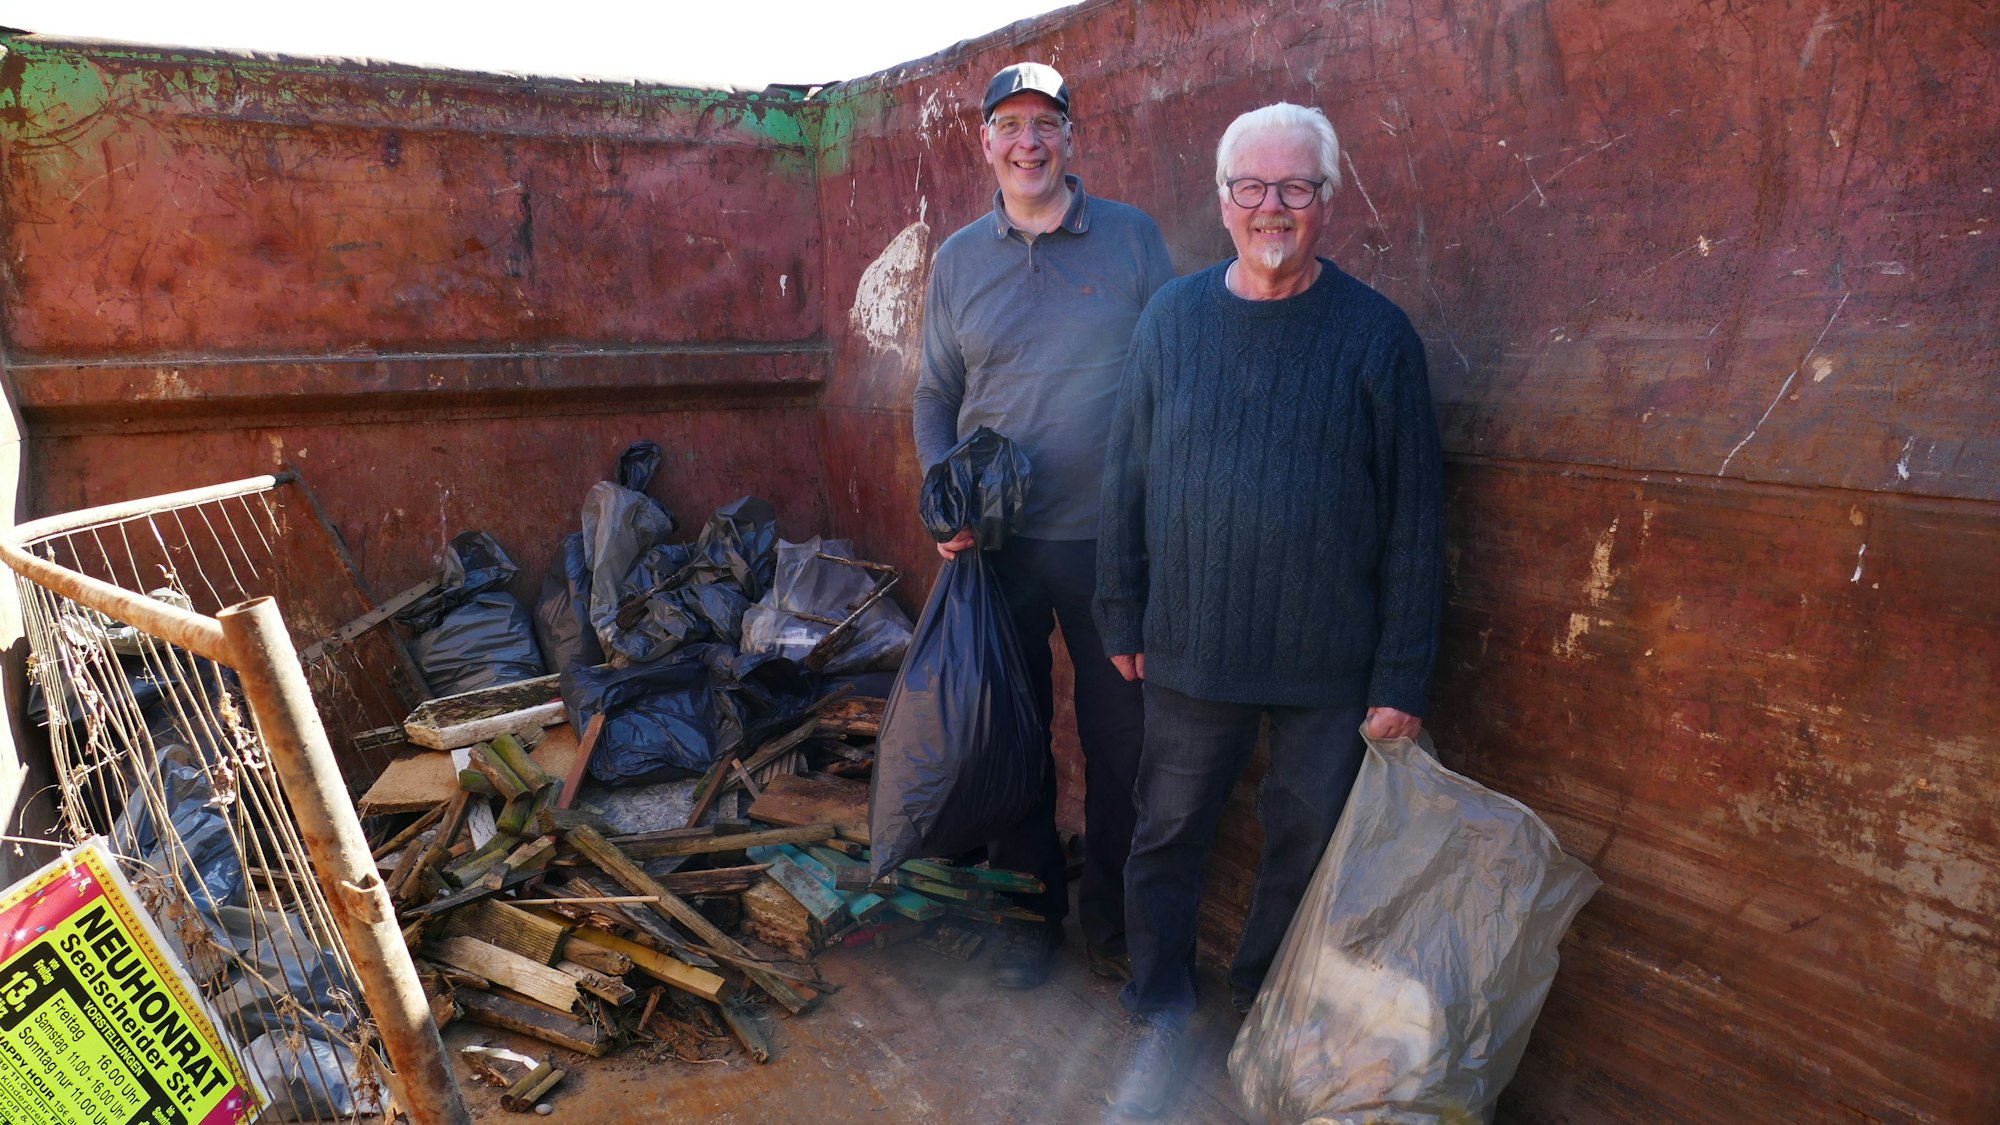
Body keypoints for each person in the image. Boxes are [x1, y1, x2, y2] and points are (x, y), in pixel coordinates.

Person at [1093, 102, 1444, 1117]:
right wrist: (1120, 610)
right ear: (1222, 201)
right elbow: (1123, 476)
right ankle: (1158, 993)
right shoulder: (1171, 320)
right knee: (1167, 831)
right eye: (1251, 186)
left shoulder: (1377, 337)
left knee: (1304, 847)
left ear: (1327, 202)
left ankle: (1262, 999)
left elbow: (1416, 521)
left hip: (1327, 663)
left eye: (1295, 186)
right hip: (1189, 644)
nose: (1271, 206)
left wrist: (1400, 676)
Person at [911, 62, 1177, 990]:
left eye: (1045, 123)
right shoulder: (958, 261)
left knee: (1124, 744)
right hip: (998, 549)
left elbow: (1173, 375)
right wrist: (944, 492)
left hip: (1112, 546)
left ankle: (1116, 925)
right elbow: (936, 392)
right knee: (1012, 734)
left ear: (1071, 137)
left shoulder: (1132, 239)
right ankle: (1026, 919)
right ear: (985, 140)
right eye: (1010, 125)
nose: (1028, 142)